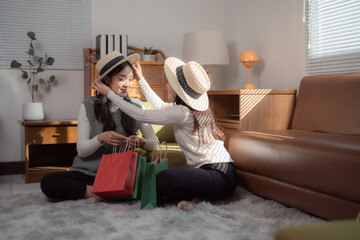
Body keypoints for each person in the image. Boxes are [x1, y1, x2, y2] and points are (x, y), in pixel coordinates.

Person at [92, 57, 238, 211]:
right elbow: (160, 106)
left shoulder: (183, 112)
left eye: (171, 83)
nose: (167, 85)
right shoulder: (185, 109)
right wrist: (141, 78)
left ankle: (192, 199)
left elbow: (142, 115)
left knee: (163, 178)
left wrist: (110, 94)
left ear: (179, 91)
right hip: (215, 174)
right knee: (164, 180)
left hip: (220, 176)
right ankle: (195, 200)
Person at [41, 51, 159, 200]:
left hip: (118, 174)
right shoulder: (88, 105)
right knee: (48, 182)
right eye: (121, 79)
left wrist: (141, 142)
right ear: (107, 80)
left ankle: (103, 190)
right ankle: (101, 192)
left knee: (154, 181)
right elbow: (82, 151)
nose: (127, 84)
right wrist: (100, 138)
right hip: (86, 173)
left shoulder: (137, 106)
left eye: (130, 79)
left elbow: (155, 144)